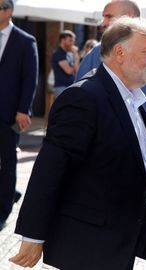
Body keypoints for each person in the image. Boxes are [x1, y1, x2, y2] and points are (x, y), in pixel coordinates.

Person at [9, 17, 146, 270]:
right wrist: (33, 235)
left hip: (118, 243)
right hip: (89, 247)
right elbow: (50, 169)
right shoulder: (83, 97)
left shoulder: (132, 100)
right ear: (119, 52)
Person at [77, 0, 146, 125]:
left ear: (129, 17)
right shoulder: (95, 53)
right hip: (105, 140)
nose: (103, 23)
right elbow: (79, 96)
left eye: (109, 16)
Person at [0, 0, 38, 231]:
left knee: (7, 162)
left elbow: (29, 78)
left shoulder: (25, 41)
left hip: (9, 114)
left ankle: (3, 210)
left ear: (9, 10)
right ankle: (9, 191)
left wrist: (24, 109)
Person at [51, 30, 80, 98]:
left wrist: (75, 55)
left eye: (73, 41)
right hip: (61, 88)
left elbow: (77, 71)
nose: (72, 43)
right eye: (70, 40)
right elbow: (69, 71)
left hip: (70, 86)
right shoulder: (58, 53)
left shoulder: (70, 54)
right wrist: (75, 56)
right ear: (63, 40)